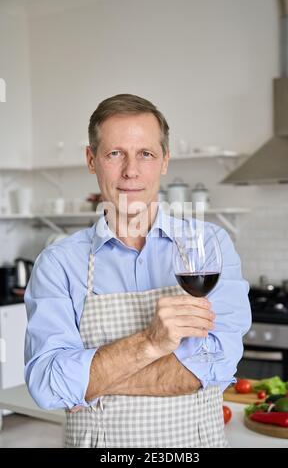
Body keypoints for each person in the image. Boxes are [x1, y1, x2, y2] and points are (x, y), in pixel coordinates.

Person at [24, 93, 251, 448]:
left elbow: (216, 365)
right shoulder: (58, 264)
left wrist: (93, 380)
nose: (131, 170)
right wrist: (150, 342)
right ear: (91, 159)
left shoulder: (210, 246)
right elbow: (48, 385)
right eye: (115, 153)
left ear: (164, 161)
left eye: (145, 153)